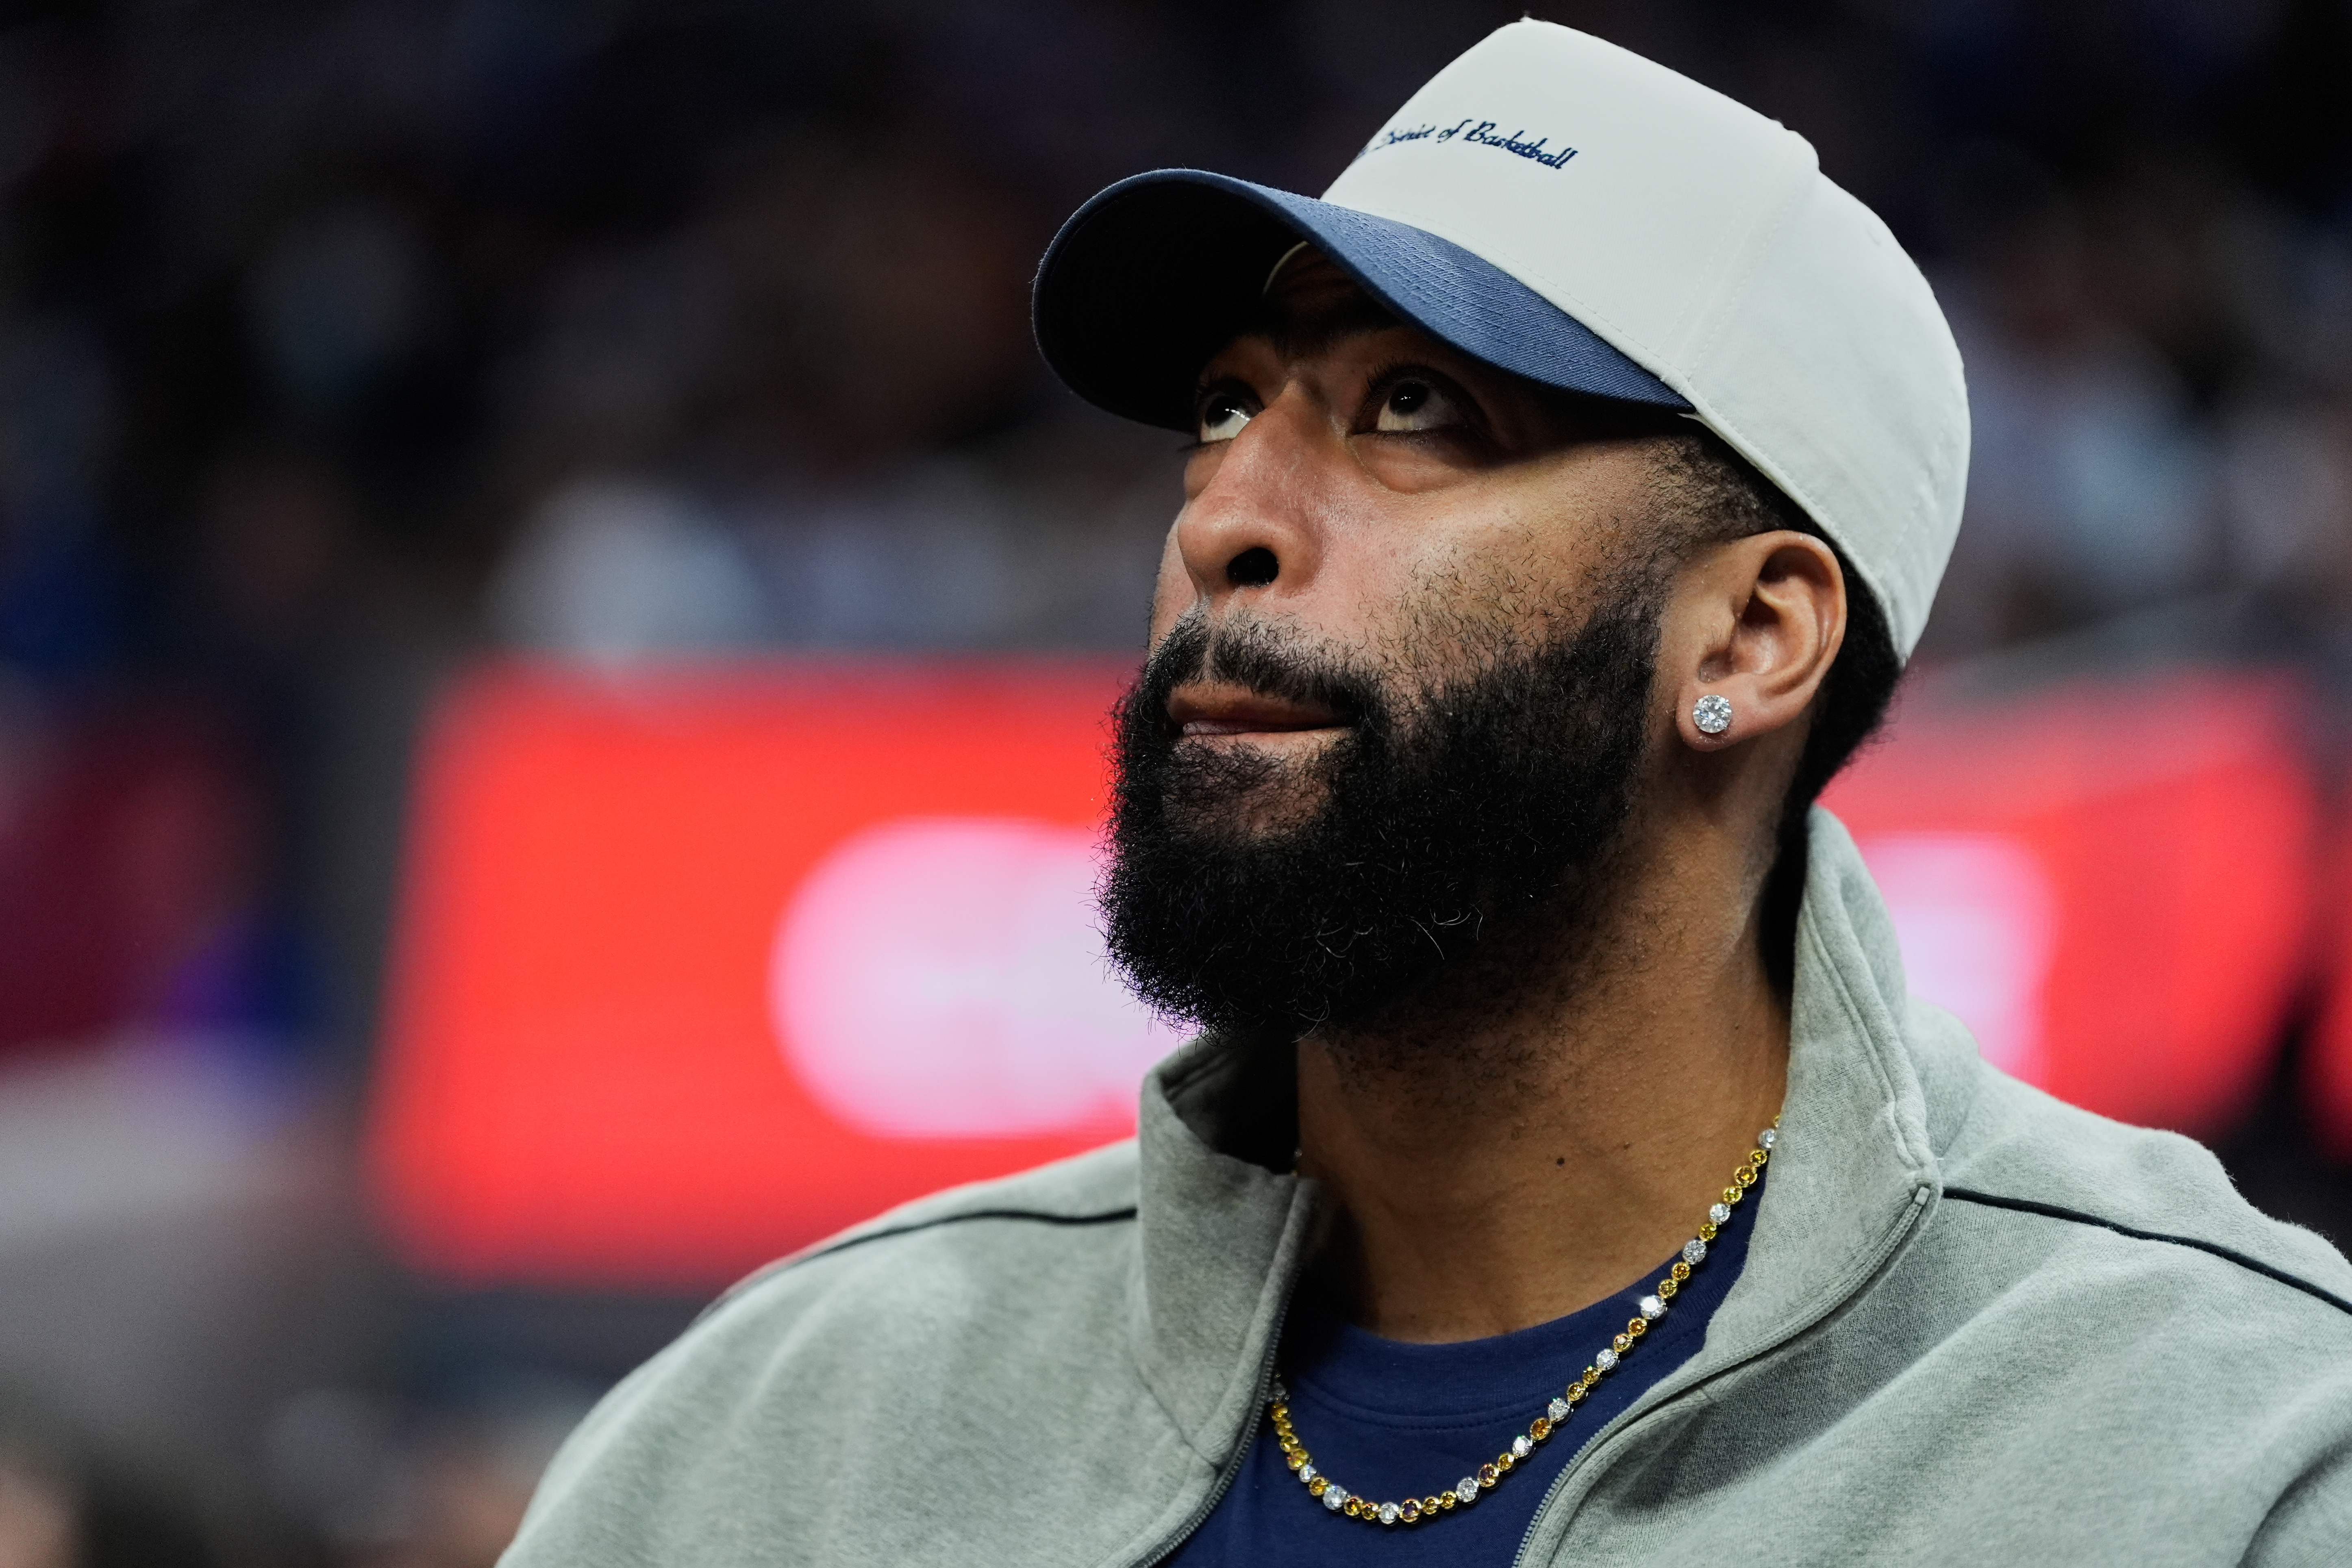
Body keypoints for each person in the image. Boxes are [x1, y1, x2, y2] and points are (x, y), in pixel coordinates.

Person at [501, 22, 2352, 1566]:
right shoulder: (780, 1439)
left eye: (1413, 411)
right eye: (1227, 404)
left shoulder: (2221, 1454)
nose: (1223, 518)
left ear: (1756, 632)